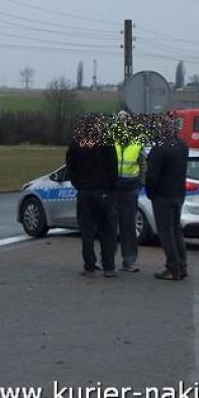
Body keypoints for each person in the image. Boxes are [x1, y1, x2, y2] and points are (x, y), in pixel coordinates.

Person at [66, 115, 118, 277]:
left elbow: (70, 166)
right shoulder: (106, 143)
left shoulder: (77, 144)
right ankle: (108, 267)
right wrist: (111, 189)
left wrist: (78, 184)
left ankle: (89, 266)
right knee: (107, 230)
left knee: (87, 231)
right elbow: (113, 169)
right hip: (103, 192)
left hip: (84, 192)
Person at [146, 115, 190, 281]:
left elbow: (152, 175)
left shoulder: (160, 149)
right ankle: (182, 265)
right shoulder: (182, 146)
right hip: (179, 193)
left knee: (166, 232)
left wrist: (151, 192)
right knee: (176, 229)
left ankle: (173, 268)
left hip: (163, 195)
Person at [112, 110, 145, 272]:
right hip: (113, 188)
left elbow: (143, 164)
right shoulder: (111, 139)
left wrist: (140, 182)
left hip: (130, 188)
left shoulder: (137, 140)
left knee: (128, 226)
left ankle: (129, 261)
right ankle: (109, 260)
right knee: (110, 225)